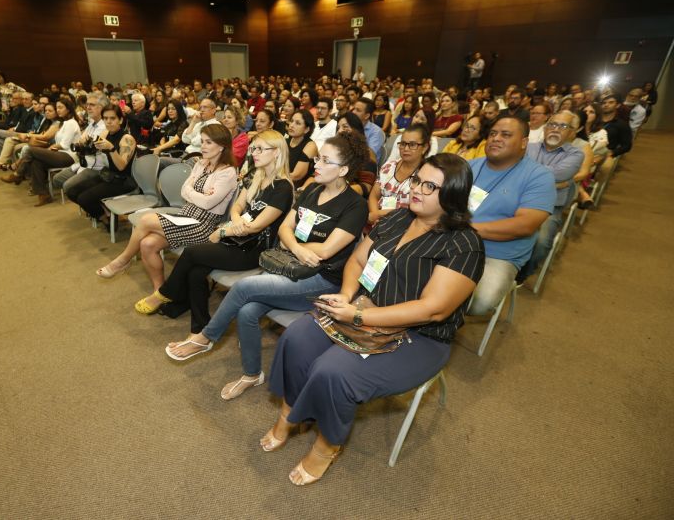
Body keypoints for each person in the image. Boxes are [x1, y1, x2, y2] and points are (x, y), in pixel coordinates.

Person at [264, 153, 485, 485]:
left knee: (333, 371)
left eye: (430, 186)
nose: (417, 190)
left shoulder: (465, 245)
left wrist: (358, 314)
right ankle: (291, 412)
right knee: (297, 338)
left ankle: (327, 446)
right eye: (416, 181)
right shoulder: (397, 218)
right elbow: (356, 261)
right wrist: (348, 294)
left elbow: (434, 309)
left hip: (419, 336)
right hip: (363, 307)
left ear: (452, 195)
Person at [162, 131, 368, 401]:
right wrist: (295, 247)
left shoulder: (355, 205)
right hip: (291, 266)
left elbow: (328, 250)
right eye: (317, 157)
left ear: (343, 169)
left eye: (324, 160)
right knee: (247, 311)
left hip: (323, 282)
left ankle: (205, 338)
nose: (316, 164)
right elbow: (285, 228)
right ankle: (251, 374)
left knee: (245, 288)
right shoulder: (312, 190)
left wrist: (293, 244)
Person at [138, 131, 293, 357]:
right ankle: (198, 331)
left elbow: (258, 226)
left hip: (255, 249)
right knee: (196, 272)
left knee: (191, 253)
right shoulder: (254, 176)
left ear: (277, 152)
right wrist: (236, 223)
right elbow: (237, 208)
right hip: (237, 238)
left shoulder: (282, 187)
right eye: (253, 148)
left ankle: (164, 293)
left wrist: (222, 230)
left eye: (260, 149)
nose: (254, 153)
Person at [96, 124, 238, 291]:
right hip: (185, 216)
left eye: (208, 142)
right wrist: (200, 195)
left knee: (146, 220)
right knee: (147, 244)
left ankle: (122, 261)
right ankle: (160, 292)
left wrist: (194, 193)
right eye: (202, 141)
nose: (203, 146)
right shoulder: (201, 164)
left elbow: (207, 203)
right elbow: (184, 190)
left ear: (222, 146)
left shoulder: (228, 173)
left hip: (203, 225)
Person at [466, 116, 556, 315]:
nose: (496, 138)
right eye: (493, 134)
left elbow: (525, 225)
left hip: (496, 254)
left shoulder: (539, 176)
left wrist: (466, 230)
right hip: (454, 242)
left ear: (524, 142)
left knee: (479, 303)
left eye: (506, 135)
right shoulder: (470, 167)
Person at [519, 111, 584, 280]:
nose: (556, 129)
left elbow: (561, 174)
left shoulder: (576, 154)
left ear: (572, 132)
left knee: (541, 241)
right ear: (545, 128)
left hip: (549, 207)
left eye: (563, 126)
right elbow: (515, 169)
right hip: (518, 199)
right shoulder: (529, 146)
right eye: (552, 124)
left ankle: (522, 275)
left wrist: (529, 173)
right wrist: (553, 181)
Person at [64, 104, 137, 220]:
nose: (108, 122)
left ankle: (106, 218)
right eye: (105, 118)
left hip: (122, 180)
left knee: (84, 198)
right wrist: (85, 143)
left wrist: (111, 148)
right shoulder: (105, 134)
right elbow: (92, 150)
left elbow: (121, 166)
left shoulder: (127, 139)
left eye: (112, 118)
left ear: (121, 120)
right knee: (72, 191)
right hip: (107, 175)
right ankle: (105, 214)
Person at [368, 124, 430, 227]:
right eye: (403, 144)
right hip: (378, 223)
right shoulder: (389, 167)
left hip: (405, 226)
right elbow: (374, 196)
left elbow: (418, 211)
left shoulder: (426, 174)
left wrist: (377, 214)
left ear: (424, 147)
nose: (405, 148)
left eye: (412, 144)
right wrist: (375, 217)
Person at [286, 110, 319, 187]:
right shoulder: (285, 141)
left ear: (306, 129)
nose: (291, 125)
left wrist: (273, 176)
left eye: (297, 123)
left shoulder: (310, 146)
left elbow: (296, 176)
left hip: (300, 188)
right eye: (292, 121)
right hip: (282, 182)